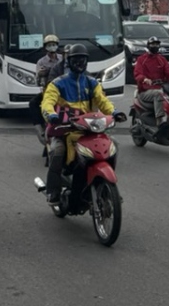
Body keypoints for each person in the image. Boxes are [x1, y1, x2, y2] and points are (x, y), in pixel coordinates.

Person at [40, 44, 120, 203]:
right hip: (63, 129)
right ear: (69, 62)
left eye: (82, 59)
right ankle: (53, 191)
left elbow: (102, 101)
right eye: (76, 60)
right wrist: (51, 114)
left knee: (113, 146)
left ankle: (106, 187)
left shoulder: (91, 82)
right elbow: (47, 102)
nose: (79, 63)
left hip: (88, 128)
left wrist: (113, 112)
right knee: (58, 153)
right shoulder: (57, 83)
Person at [134, 36, 169, 122]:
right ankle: (159, 121)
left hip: (161, 88)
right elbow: (137, 74)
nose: (155, 46)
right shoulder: (142, 59)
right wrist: (144, 79)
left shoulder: (162, 60)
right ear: (148, 46)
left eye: (157, 44)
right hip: (145, 91)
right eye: (153, 44)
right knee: (158, 94)